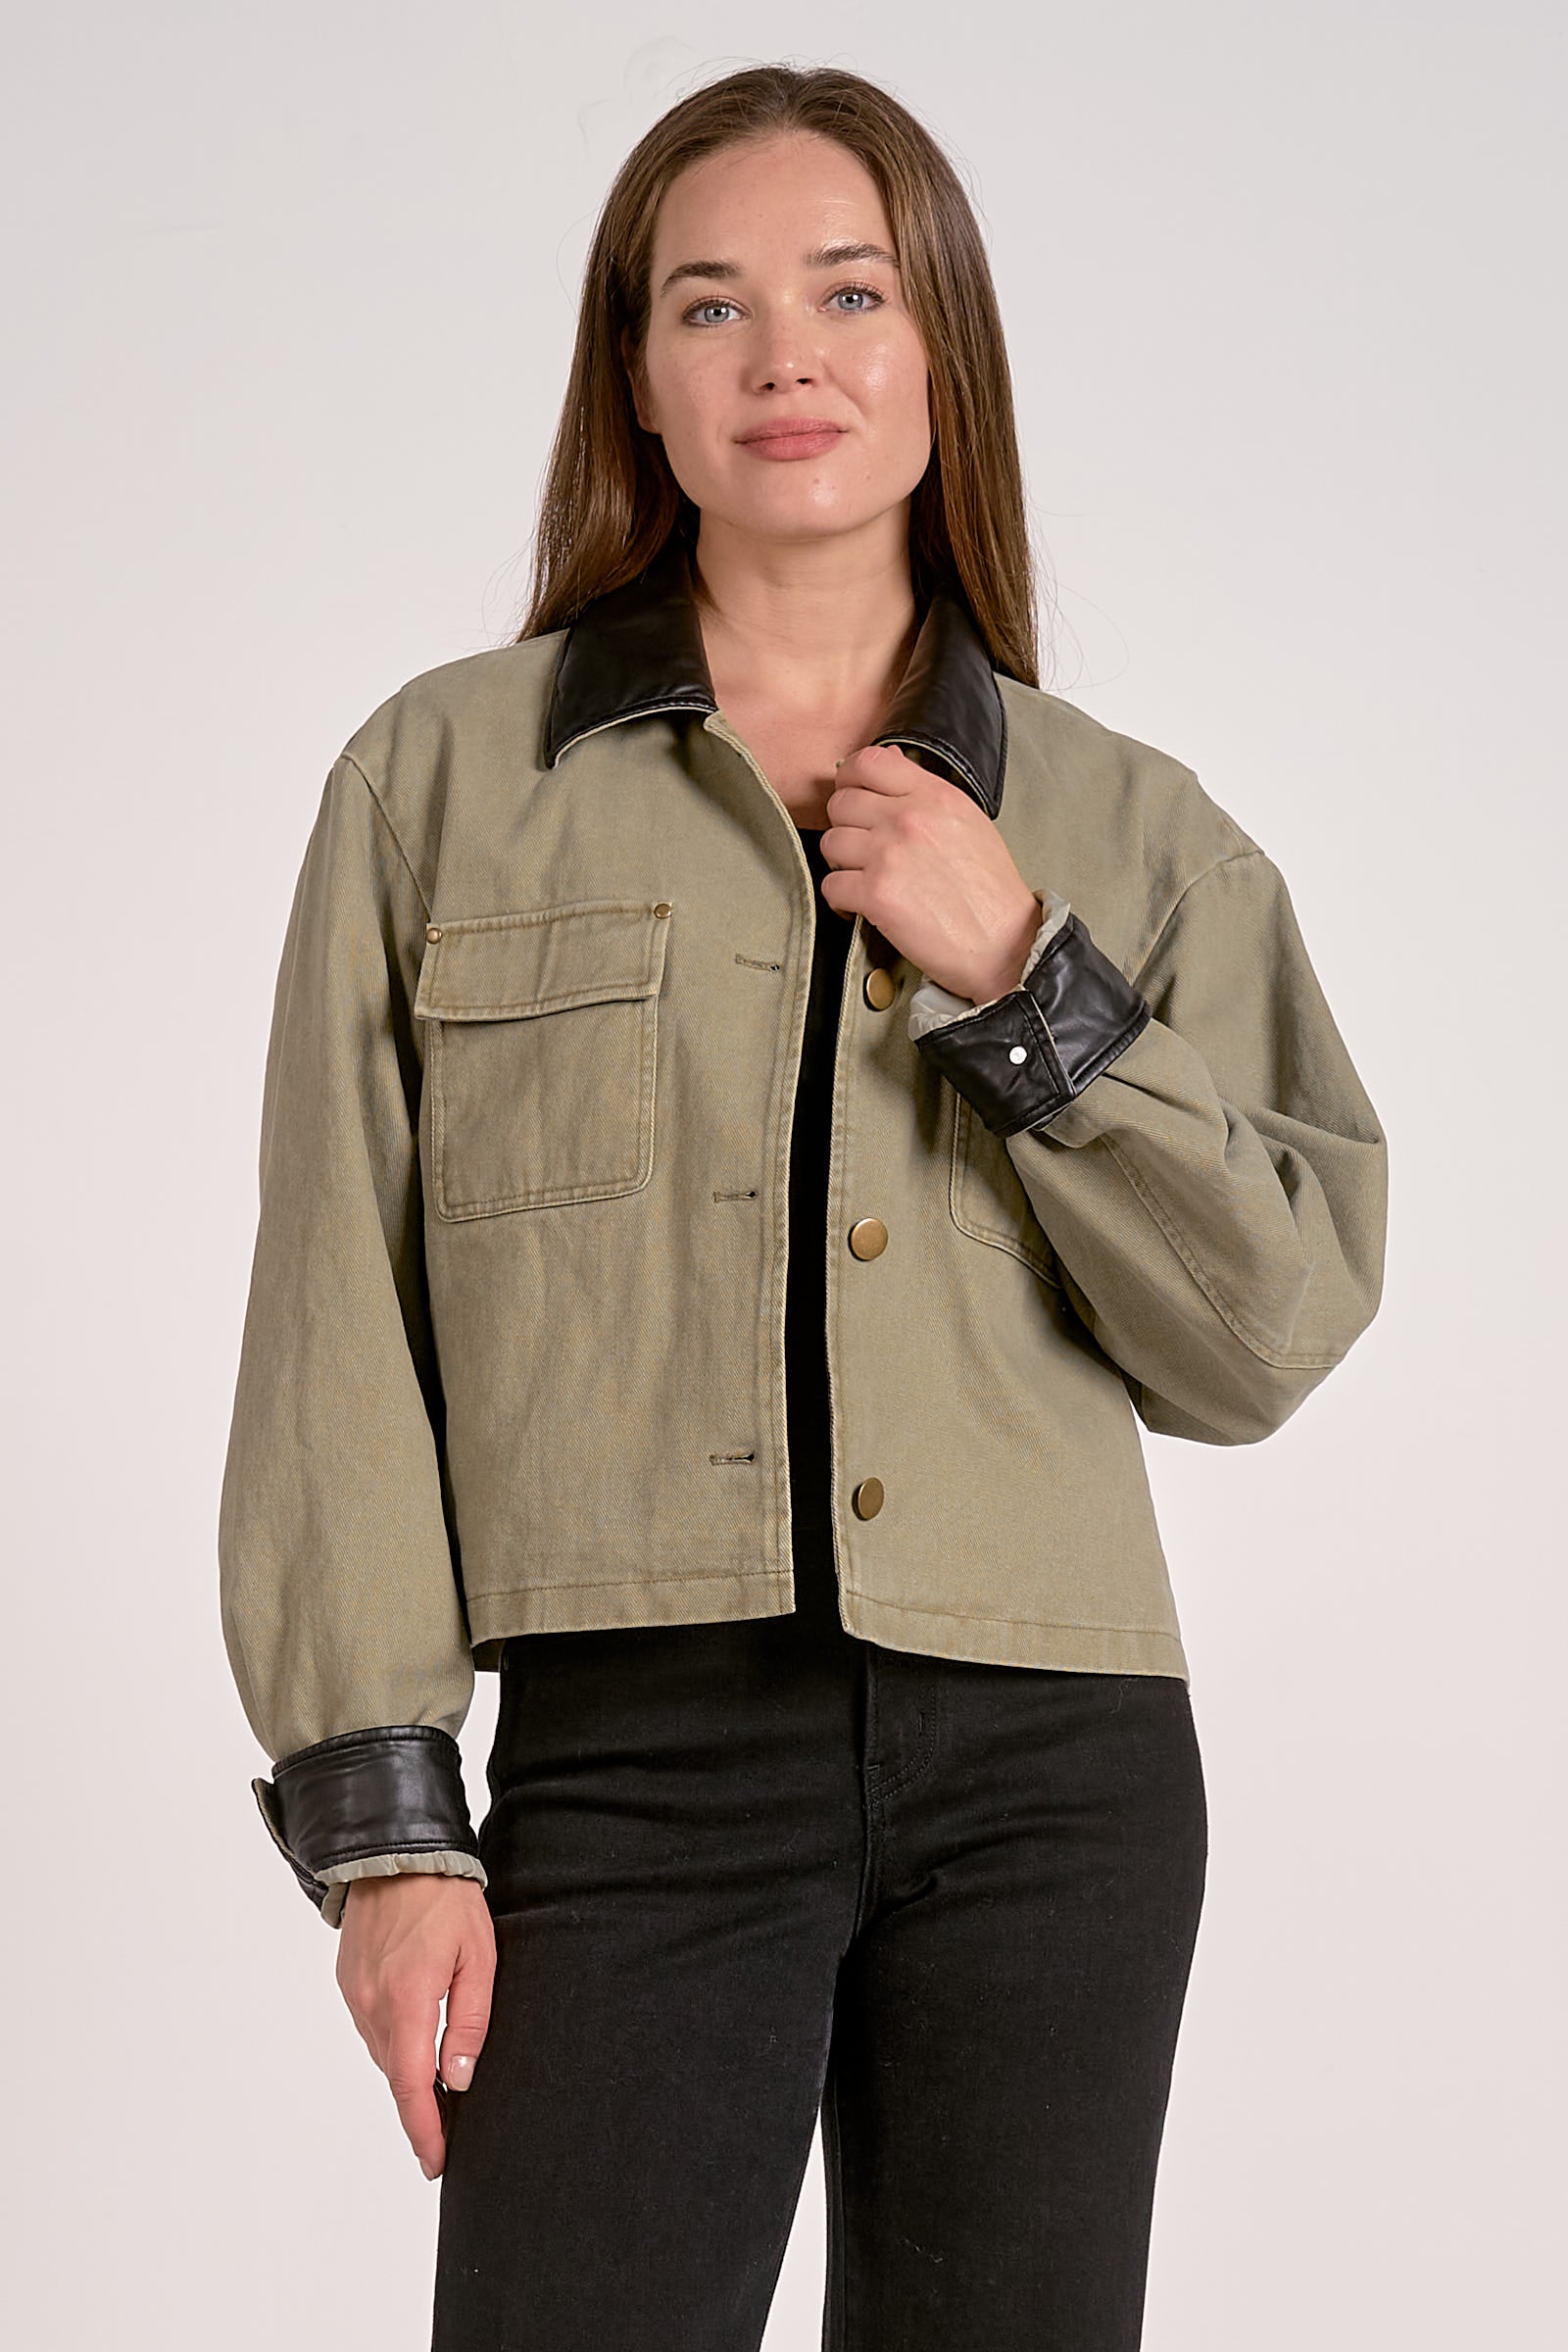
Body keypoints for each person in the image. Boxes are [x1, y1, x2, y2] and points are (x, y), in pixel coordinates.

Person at [218, 61, 1389, 2352]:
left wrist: (1026, 981)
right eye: (710, 305)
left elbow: (1262, 1331)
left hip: (1053, 1770)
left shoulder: (1136, 835)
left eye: (849, 294)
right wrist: (388, 1831)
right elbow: (333, 1314)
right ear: (637, 380)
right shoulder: (441, 783)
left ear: (937, 353)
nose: (784, 357)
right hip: (631, 1767)